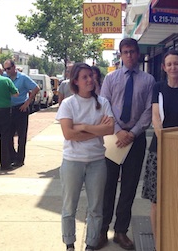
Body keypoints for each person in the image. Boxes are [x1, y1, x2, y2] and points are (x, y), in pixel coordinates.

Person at [97, 38, 155, 250]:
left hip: (136, 140)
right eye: (126, 52)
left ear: (138, 54)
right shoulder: (111, 79)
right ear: (120, 54)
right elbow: (105, 106)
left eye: (132, 52)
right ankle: (103, 230)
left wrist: (133, 132)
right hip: (113, 138)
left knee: (129, 187)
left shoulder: (149, 80)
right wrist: (118, 131)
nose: (129, 55)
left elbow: (149, 109)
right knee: (108, 186)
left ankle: (121, 231)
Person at [141, 50, 178, 239]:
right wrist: (164, 141)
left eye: (176, 63)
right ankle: (159, 241)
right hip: (158, 150)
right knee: (157, 200)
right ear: (164, 67)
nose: (173, 67)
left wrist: (176, 145)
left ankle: (177, 238)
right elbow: (156, 118)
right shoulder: (158, 88)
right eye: (169, 64)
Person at [56, 63, 115, 251]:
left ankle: (91, 244)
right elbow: (68, 134)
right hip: (73, 160)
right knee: (69, 206)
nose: (90, 80)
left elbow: (110, 129)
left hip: (97, 161)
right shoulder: (68, 104)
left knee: (96, 207)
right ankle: (69, 244)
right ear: (76, 81)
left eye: (91, 76)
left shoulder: (103, 103)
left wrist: (83, 127)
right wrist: (97, 130)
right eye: (85, 77)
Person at [3, 59, 39, 168]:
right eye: (5, 69)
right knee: (8, 135)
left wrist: (27, 102)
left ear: (14, 67)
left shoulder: (23, 78)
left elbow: (36, 88)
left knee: (21, 136)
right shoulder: (5, 77)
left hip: (21, 109)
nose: (7, 71)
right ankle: (12, 157)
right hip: (9, 109)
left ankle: (20, 159)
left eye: (8, 68)